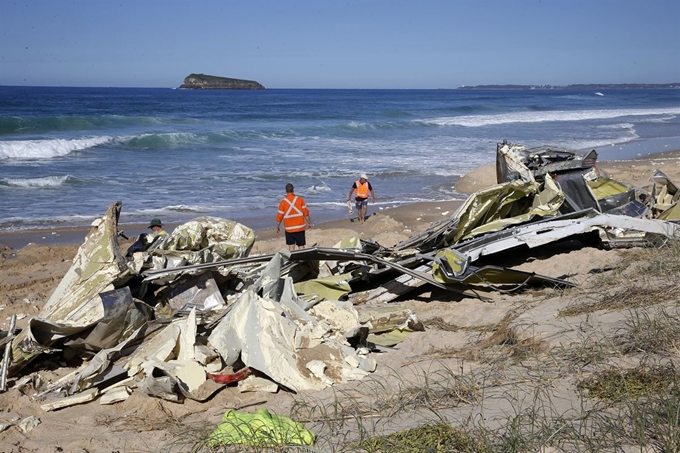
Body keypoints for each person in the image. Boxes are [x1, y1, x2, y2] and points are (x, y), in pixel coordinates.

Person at [276, 183, 312, 250]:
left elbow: (279, 216)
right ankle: (302, 259)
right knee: (301, 246)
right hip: (300, 227)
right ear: (293, 190)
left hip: (289, 228)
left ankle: (292, 260)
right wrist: (309, 223)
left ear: (286, 191)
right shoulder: (300, 199)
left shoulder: (283, 202)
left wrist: (277, 226)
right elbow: (306, 213)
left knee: (291, 246)